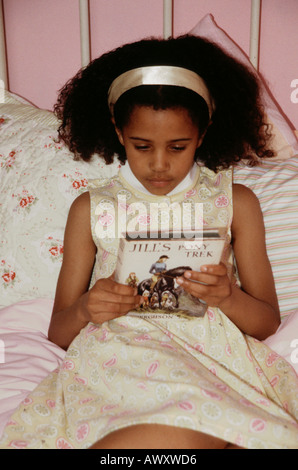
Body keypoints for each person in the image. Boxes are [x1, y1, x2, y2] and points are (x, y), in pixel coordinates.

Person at [1, 35, 298, 450]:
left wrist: (228, 296)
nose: (160, 165)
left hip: (211, 357)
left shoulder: (236, 202)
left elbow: (267, 322)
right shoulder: (91, 207)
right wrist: (88, 306)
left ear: (204, 133)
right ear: (118, 133)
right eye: (142, 146)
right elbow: (57, 332)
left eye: (178, 147)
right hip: (121, 354)